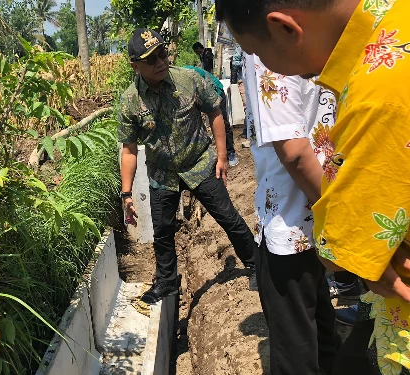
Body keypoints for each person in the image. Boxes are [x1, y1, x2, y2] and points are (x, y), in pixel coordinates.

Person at [216, 0, 410, 374]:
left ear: (286, 28)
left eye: (256, 54)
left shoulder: (378, 94)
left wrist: (341, 237)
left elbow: (342, 251)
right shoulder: (395, 20)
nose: (259, 69)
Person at [118, 28, 257, 305]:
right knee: (163, 232)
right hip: (162, 174)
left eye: (162, 53)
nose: (160, 62)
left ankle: (256, 265)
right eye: (151, 58)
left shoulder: (189, 79)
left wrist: (221, 156)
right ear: (135, 65)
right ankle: (168, 283)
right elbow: (129, 149)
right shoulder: (130, 101)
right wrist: (126, 193)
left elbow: (215, 112)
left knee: (228, 217)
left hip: (199, 163)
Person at [243, 53, 340, 375]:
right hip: (322, 200)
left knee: (294, 344)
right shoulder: (315, 31)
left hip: (291, 214)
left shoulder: (265, 45)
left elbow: (294, 151)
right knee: (319, 320)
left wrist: (331, 211)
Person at [182, 65, 240, 167]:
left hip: (215, 91)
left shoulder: (188, 76)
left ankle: (231, 153)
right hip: (199, 95)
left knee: (222, 122)